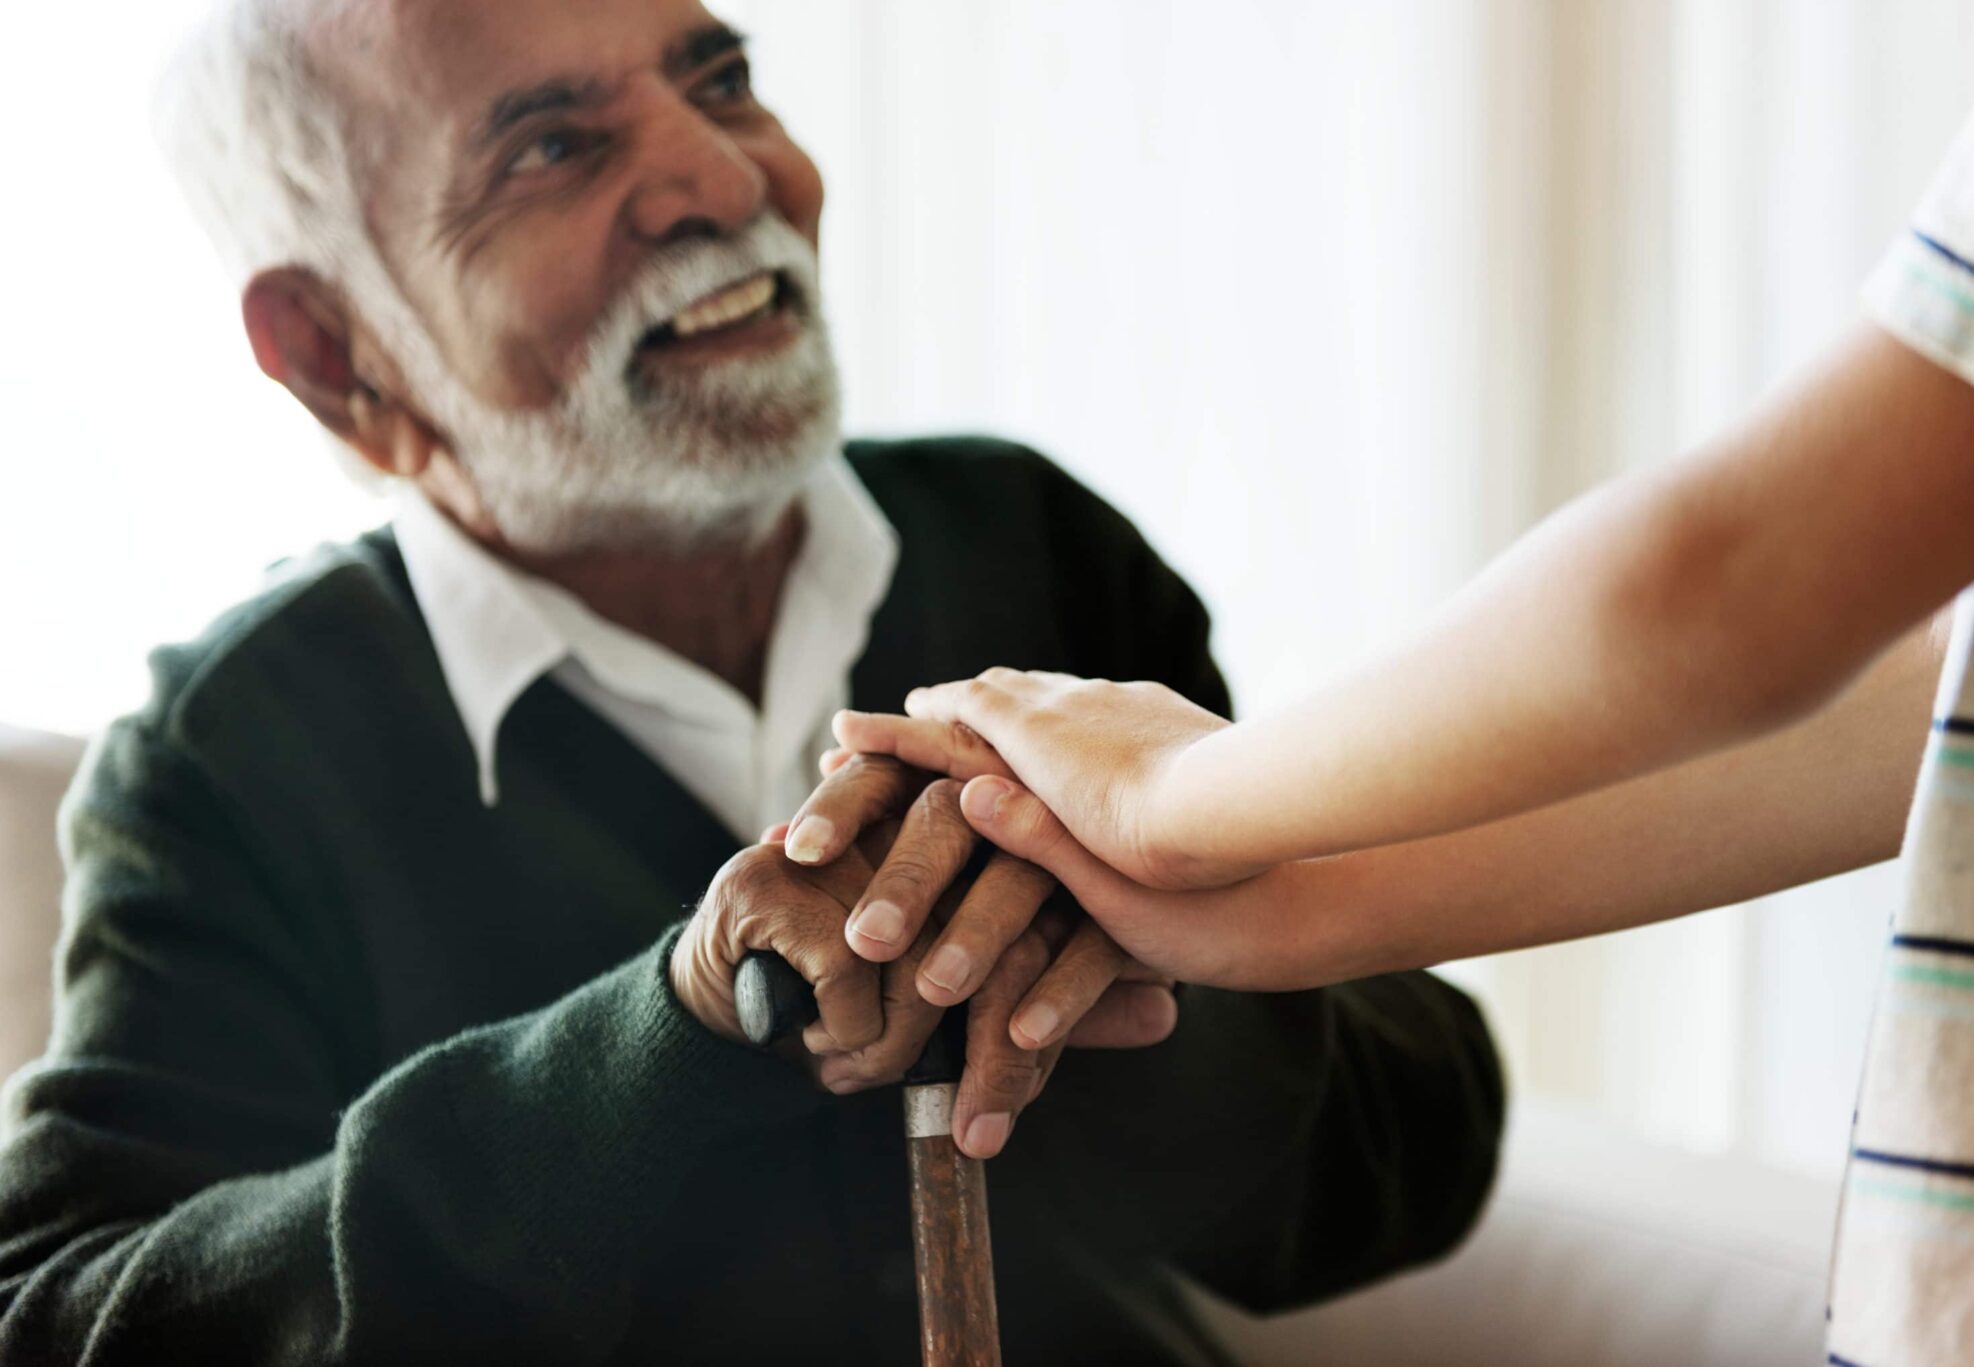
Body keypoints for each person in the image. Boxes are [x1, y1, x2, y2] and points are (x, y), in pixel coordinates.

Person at [0, 0, 1507, 1361]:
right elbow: (66, 1318)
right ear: (335, 353)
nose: (728, 182)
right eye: (550, 148)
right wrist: (669, 1035)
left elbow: (1413, 1167)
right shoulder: (232, 755)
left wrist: (1136, 962)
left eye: (719, 77)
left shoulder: (1027, 541)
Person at [832, 34, 1974, 1366]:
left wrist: (1179, 796)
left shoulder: (1015, 530)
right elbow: (1948, 693)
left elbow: (1745, 587)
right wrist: (1274, 898)